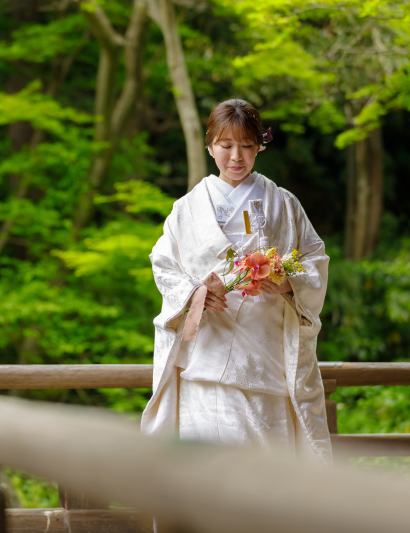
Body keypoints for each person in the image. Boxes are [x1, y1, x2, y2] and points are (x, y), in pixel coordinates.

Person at [141, 99, 332, 465]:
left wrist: (288, 282)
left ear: (260, 145)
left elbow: (315, 258)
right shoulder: (186, 209)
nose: (236, 157)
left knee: (269, 477)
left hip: (268, 359)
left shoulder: (283, 203)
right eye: (226, 146)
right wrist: (196, 293)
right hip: (207, 359)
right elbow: (163, 265)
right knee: (209, 476)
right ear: (210, 146)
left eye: (246, 146)